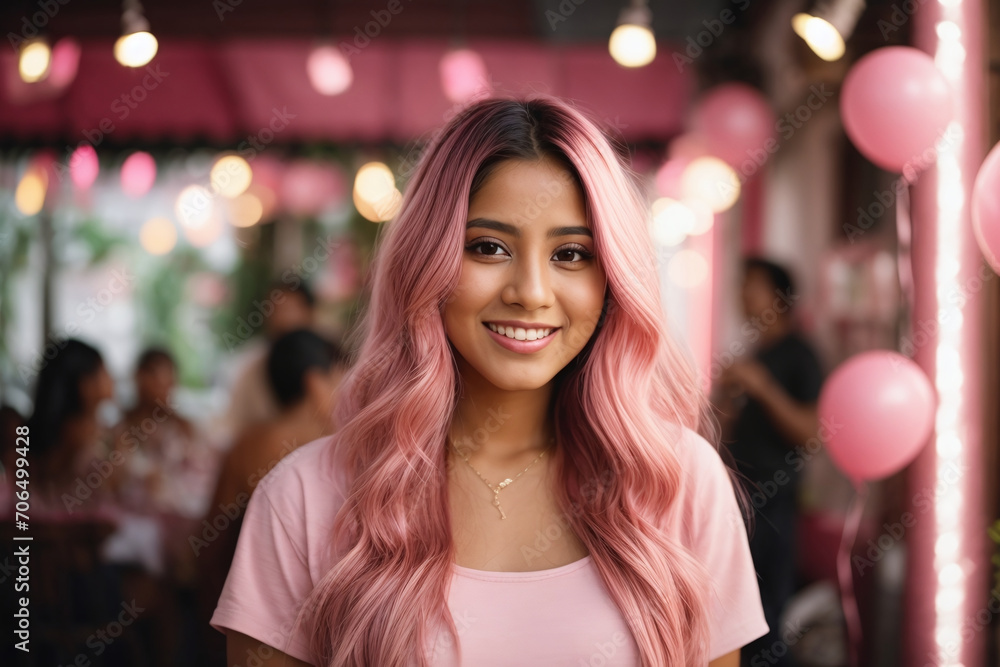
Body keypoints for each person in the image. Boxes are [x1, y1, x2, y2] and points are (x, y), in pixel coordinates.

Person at [211, 95, 769, 666]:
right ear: (427, 263)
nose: (529, 291)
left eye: (572, 253)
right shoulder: (303, 498)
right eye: (488, 247)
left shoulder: (681, 485)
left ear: (612, 281)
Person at [198, 329, 346, 666]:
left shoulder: (245, 443)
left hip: (235, 617)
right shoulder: (331, 459)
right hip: (301, 628)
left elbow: (208, 539)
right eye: (341, 376)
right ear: (316, 383)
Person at [716, 257, 825, 667]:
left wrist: (762, 387)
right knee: (734, 611)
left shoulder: (800, 354)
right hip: (738, 498)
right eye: (741, 285)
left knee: (765, 618)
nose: (743, 294)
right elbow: (722, 433)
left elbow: (811, 434)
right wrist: (726, 397)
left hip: (776, 502)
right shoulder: (752, 351)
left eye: (753, 286)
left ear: (779, 298)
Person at [222, 280, 318, 437]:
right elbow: (231, 427)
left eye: (289, 309)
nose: (281, 318)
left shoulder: (328, 356)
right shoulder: (250, 366)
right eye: (273, 310)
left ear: (310, 313)